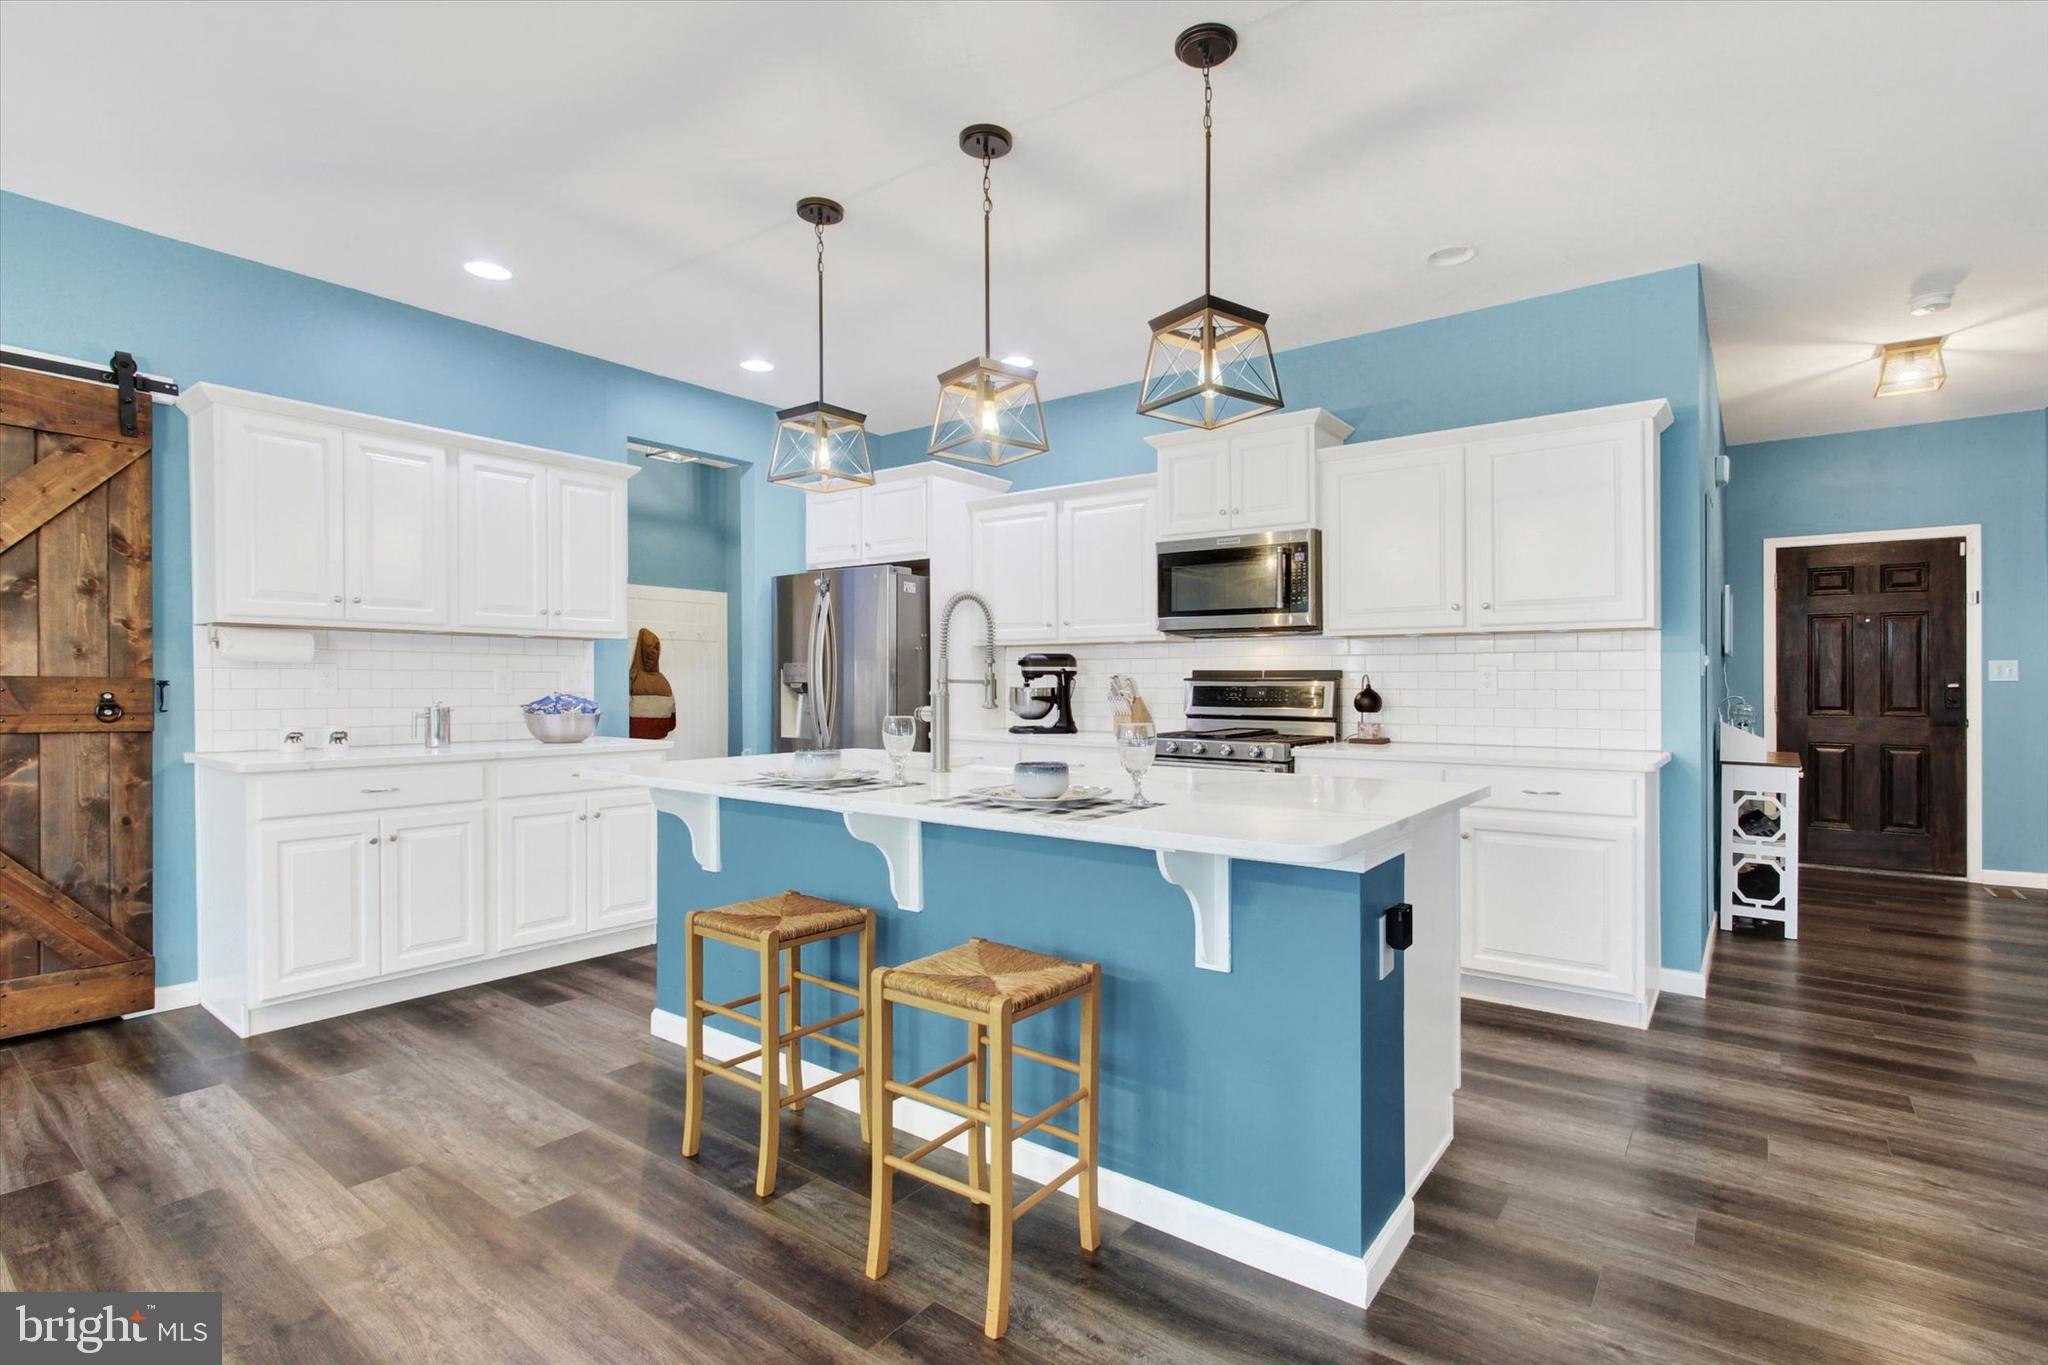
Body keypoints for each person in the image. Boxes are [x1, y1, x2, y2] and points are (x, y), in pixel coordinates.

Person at [628, 627, 677, 740]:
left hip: (634, 736)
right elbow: (672, 722)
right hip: (659, 736)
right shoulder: (663, 681)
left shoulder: (633, 678)